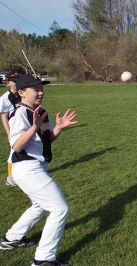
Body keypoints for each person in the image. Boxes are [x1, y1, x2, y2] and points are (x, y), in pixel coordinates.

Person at [0, 74, 77, 266]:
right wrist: (33, 127)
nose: (41, 92)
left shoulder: (40, 112)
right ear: (22, 93)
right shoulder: (19, 114)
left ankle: (11, 239)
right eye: (36, 89)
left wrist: (58, 128)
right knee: (60, 209)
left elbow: (45, 140)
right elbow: (17, 146)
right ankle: (43, 259)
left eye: (41, 88)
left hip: (34, 166)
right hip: (27, 168)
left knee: (40, 206)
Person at [0, 72, 21, 186]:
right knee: (14, 152)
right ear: (8, 82)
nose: (16, 82)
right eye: (14, 81)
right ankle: (10, 177)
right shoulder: (4, 98)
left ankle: (22, 174)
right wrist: (9, 133)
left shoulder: (22, 93)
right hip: (14, 129)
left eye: (18, 80)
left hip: (24, 127)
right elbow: (4, 117)